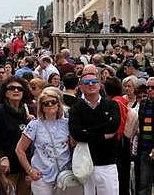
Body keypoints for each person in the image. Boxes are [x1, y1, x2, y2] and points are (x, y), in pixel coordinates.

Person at [69, 65, 120, 195]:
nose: (91, 84)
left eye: (94, 81)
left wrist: (87, 131)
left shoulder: (112, 104)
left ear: (99, 85)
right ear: (80, 87)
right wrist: (102, 136)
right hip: (85, 164)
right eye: (86, 82)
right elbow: (76, 133)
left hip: (107, 163)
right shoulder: (76, 108)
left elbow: (114, 126)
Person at [15, 87, 71, 195]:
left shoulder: (67, 123)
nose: (50, 105)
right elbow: (19, 149)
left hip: (65, 176)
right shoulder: (34, 125)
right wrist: (30, 171)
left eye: (53, 102)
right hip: (42, 177)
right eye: (46, 103)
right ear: (41, 107)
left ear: (58, 104)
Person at [0, 76, 32, 195]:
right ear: (5, 92)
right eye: (12, 88)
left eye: (20, 88)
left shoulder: (28, 111)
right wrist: (2, 157)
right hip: (7, 167)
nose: (16, 91)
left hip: (25, 167)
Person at [136, 77, 154, 194]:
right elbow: (140, 125)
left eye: (153, 87)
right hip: (144, 148)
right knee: (143, 183)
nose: (150, 90)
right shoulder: (143, 104)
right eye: (148, 87)